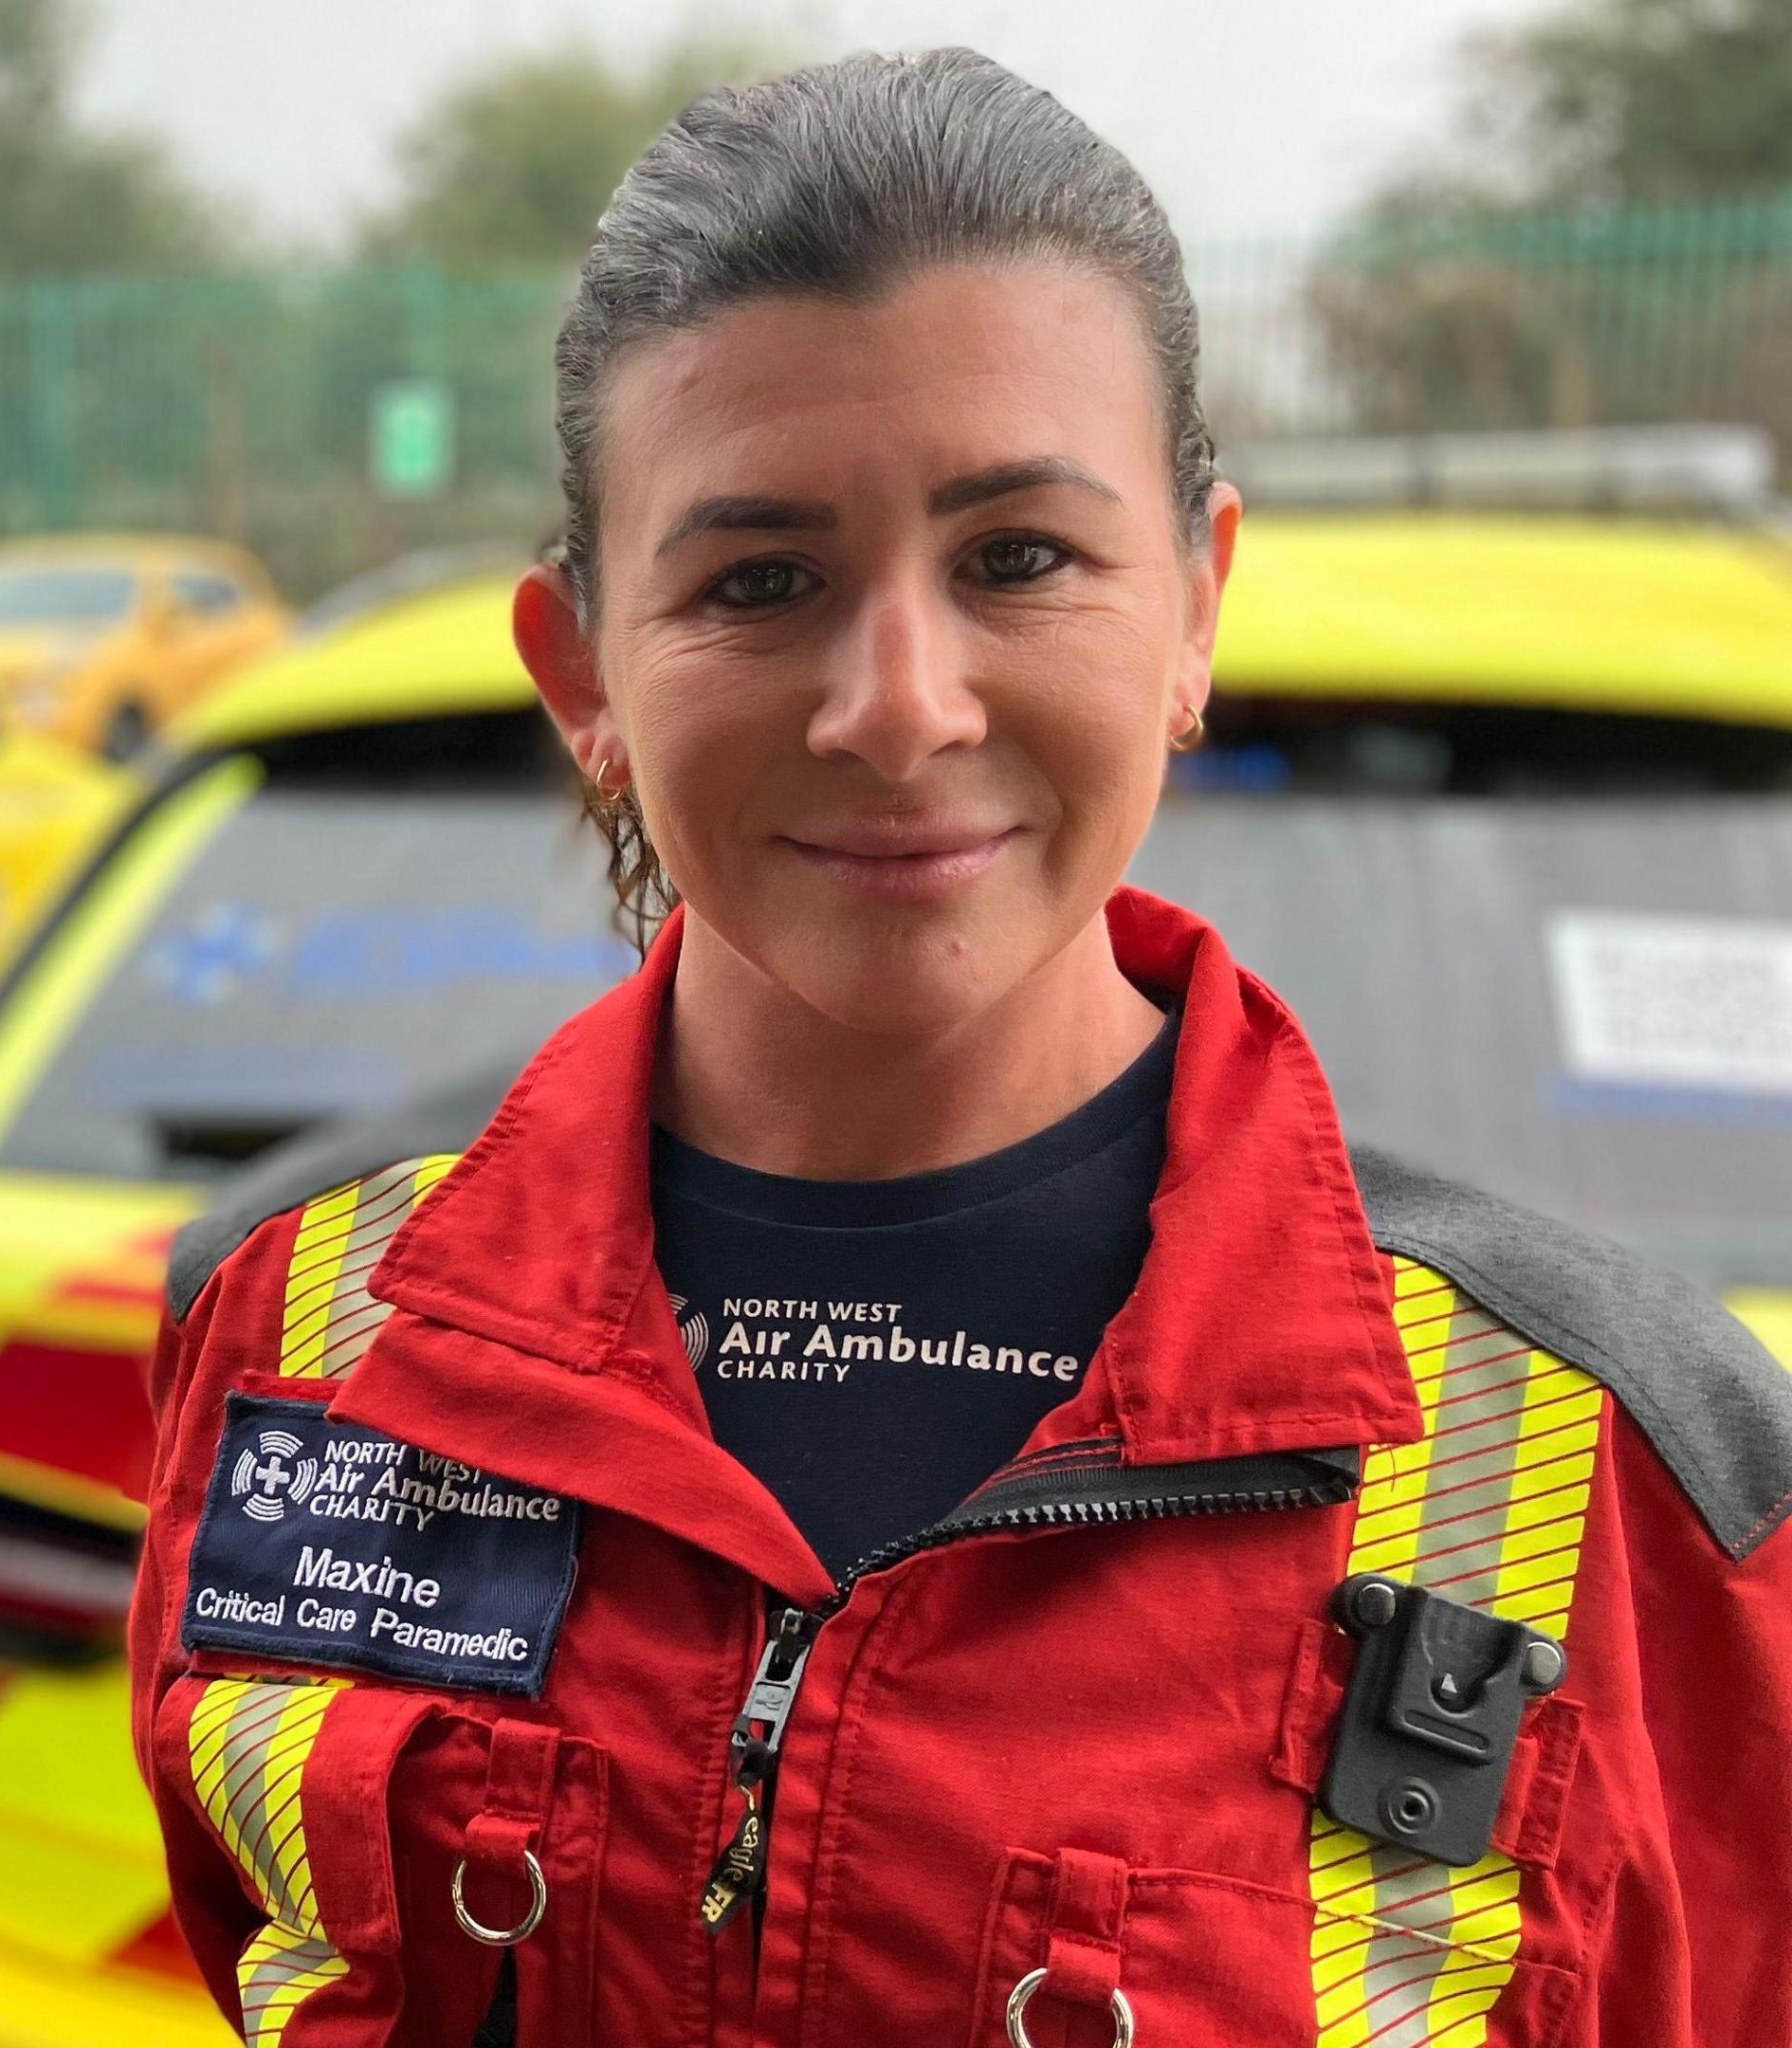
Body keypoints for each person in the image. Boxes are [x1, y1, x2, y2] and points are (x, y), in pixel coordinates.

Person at [128, 48, 1792, 2048]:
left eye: (1018, 559)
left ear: (1195, 608)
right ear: (584, 676)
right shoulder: (298, 1315)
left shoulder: (1629, 1456)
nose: (898, 707)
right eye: (760, 582)